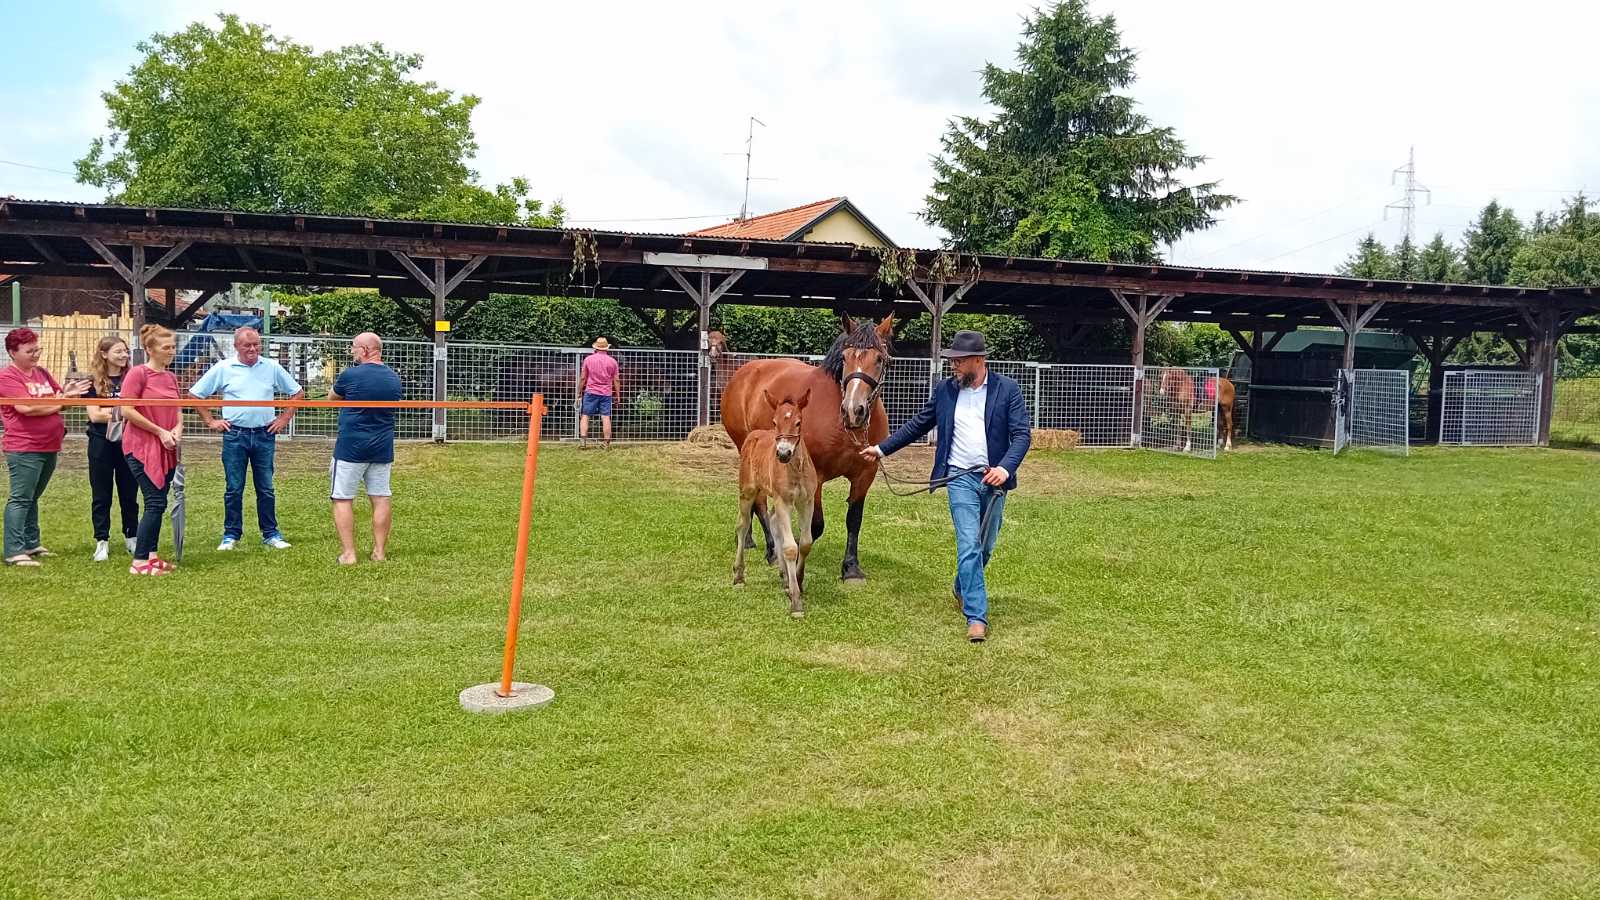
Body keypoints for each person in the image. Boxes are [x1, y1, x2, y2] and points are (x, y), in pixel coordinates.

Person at [859, 330, 1031, 642]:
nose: (953, 365)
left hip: (993, 480)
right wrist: (882, 449)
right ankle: (976, 617)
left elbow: (1021, 435)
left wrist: (1005, 469)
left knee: (986, 545)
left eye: (959, 360)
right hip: (959, 478)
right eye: (952, 360)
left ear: (979, 360)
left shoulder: (1007, 390)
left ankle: (962, 585)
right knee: (969, 543)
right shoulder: (946, 391)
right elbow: (918, 424)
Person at [188, 326, 304, 551]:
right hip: (235, 435)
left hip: (264, 434)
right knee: (234, 487)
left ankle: (270, 533)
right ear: (236, 346)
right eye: (247, 345)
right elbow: (195, 394)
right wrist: (211, 421)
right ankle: (231, 535)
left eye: (256, 345)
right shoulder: (224, 368)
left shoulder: (271, 367)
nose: (252, 349)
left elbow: (297, 393)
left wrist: (283, 419)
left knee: (266, 487)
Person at [1, 327, 89, 567]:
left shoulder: (41, 373)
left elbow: (63, 401)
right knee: (21, 497)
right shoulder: (8, 378)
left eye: (37, 349)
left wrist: (67, 397)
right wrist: (61, 401)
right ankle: (14, 550)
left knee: (33, 496)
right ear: (13, 352)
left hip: (50, 444)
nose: (35, 354)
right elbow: (27, 409)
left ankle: (31, 543)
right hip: (24, 446)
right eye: (30, 351)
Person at [327, 332, 403, 566]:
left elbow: (331, 398)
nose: (352, 352)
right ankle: (379, 552)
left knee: (342, 498)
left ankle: (349, 554)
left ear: (366, 350)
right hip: (382, 446)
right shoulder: (393, 378)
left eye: (354, 348)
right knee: (381, 498)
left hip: (351, 447)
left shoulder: (351, 374)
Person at [118, 325, 183, 576]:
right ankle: (139, 561)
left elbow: (177, 409)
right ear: (149, 349)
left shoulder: (171, 377)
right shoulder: (137, 374)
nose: (171, 352)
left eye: (173, 347)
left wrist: (177, 429)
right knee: (155, 502)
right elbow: (127, 410)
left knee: (159, 502)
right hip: (141, 447)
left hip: (167, 447)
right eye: (166, 347)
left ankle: (152, 555)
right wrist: (159, 431)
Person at [84, 335, 140, 561]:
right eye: (118, 351)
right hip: (100, 444)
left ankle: (132, 537)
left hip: (129, 442)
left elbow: (139, 411)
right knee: (101, 494)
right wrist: (122, 412)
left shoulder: (133, 379)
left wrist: (115, 412)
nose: (124, 355)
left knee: (130, 493)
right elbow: (95, 415)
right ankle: (101, 541)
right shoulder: (92, 382)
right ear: (104, 354)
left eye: (125, 351)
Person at [577, 336, 620, 449]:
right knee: (606, 417)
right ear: (607, 348)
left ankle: (583, 442)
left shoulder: (588, 360)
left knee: (585, 416)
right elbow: (616, 380)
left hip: (591, 391)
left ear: (595, 348)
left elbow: (583, 378)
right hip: (606, 393)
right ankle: (606, 443)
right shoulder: (613, 362)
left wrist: (579, 392)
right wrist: (618, 395)